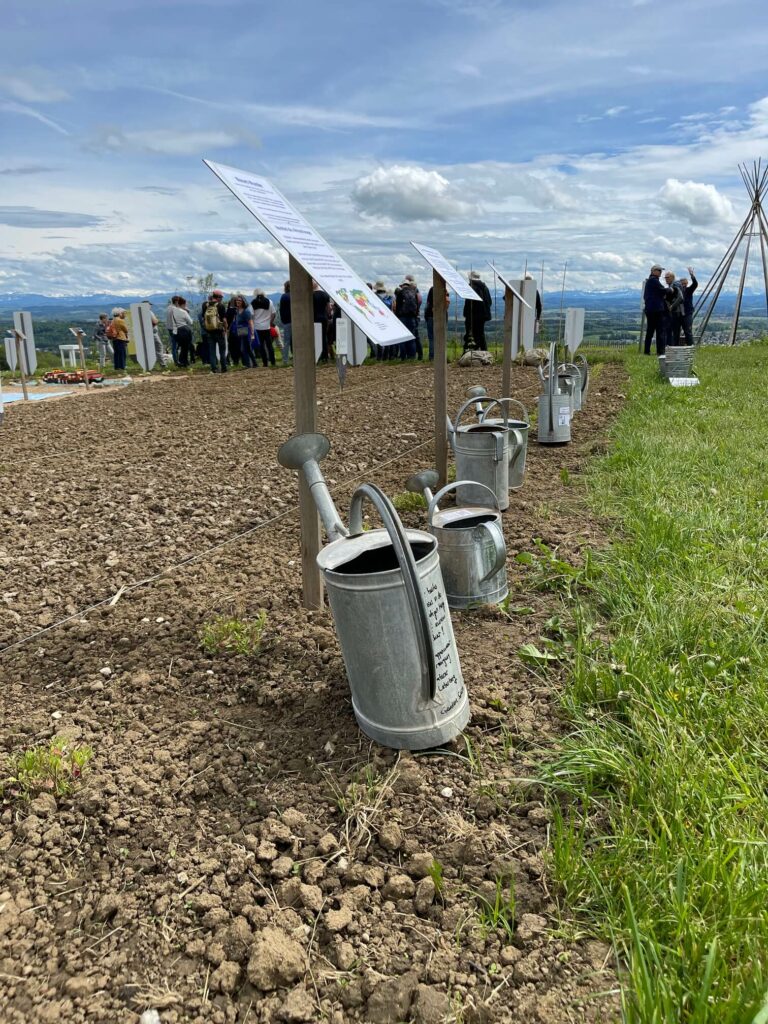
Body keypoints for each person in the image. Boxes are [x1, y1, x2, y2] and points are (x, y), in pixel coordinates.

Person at [642, 264, 671, 356]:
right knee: (660, 331)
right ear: (653, 271)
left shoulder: (650, 281)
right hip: (656, 310)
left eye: (660, 270)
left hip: (650, 309)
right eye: (658, 270)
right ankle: (660, 351)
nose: (660, 272)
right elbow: (663, 290)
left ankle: (647, 351)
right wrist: (670, 290)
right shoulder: (654, 281)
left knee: (650, 331)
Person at [463, 270, 492, 351]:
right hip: (483, 316)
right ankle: (484, 351)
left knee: (470, 335)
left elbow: (469, 304)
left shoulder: (471, 288)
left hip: (473, 316)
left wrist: (467, 314)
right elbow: (489, 302)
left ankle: (469, 352)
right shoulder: (485, 287)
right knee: (481, 334)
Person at [393, 274, 421, 359]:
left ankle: (403, 356)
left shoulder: (400, 293)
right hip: (412, 317)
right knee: (411, 337)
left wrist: (398, 317)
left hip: (403, 317)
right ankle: (412, 356)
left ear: (402, 285)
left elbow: (398, 307)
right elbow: (417, 304)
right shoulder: (414, 292)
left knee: (402, 338)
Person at [202, 289, 228, 372]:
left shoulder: (205, 305)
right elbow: (224, 320)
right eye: (221, 297)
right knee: (222, 351)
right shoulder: (220, 306)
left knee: (212, 351)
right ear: (219, 297)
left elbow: (204, 318)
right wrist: (225, 329)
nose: (222, 299)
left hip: (209, 331)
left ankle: (214, 368)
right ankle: (224, 368)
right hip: (219, 331)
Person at [424, 285, 450, 360]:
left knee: (432, 338)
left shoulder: (432, 289)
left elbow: (428, 303)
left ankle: (432, 356)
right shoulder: (444, 290)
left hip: (430, 316)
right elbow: (447, 303)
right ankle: (442, 356)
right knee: (441, 337)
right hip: (442, 316)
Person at [251, 289, 276, 367]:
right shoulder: (270, 302)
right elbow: (274, 314)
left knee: (261, 346)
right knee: (269, 345)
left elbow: (251, 315)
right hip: (267, 326)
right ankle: (273, 362)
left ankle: (265, 363)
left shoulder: (253, 303)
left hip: (257, 327)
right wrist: (270, 322)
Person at [662, 271, 684, 350]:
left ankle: (673, 349)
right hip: (675, 312)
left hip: (675, 312)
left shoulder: (675, 285)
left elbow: (681, 297)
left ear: (672, 277)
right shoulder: (672, 285)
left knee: (673, 332)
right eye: (665, 278)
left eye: (668, 277)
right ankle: (671, 349)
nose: (666, 279)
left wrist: (671, 306)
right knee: (672, 331)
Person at [677, 267, 698, 346]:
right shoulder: (677, 291)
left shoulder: (689, 290)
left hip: (687, 313)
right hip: (678, 313)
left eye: (685, 283)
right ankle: (676, 346)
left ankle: (690, 346)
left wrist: (692, 275)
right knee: (676, 331)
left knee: (688, 331)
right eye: (682, 284)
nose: (684, 285)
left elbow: (695, 284)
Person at [170, 297, 194, 367]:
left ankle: (181, 361)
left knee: (182, 347)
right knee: (186, 347)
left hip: (176, 331)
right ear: (183, 304)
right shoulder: (184, 312)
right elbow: (191, 322)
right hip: (185, 331)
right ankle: (184, 362)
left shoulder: (173, 311)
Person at [312, 281, 331, 362]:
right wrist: (328, 316)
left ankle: (318, 356)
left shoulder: (311, 295)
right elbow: (329, 308)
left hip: (315, 318)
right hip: (324, 318)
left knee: (316, 337)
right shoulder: (325, 294)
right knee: (324, 336)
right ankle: (325, 356)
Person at [110, 308, 129, 372]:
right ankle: (122, 366)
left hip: (114, 338)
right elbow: (125, 329)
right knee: (122, 353)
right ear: (119, 313)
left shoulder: (112, 320)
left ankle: (117, 367)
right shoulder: (120, 320)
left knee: (116, 353)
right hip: (120, 337)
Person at [279, 280, 292, 364]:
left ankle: (285, 360)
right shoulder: (295, 296)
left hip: (287, 321)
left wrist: (283, 320)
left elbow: (281, 310)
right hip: (296, 321)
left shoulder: (284, 296)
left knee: (286, 341)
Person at [165, 296, 180, 364]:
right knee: (175, 345)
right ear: (176, 301)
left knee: (174, 344)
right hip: (174, 329)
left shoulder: (169, 307)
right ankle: (177, 361)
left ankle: (176, 360)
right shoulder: (174, 309)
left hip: (169, 328)